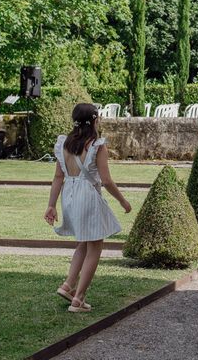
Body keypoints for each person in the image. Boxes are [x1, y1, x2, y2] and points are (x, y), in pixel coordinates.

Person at [44, 103, 132, 313]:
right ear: (94, 120)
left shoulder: (64, 143)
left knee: (83, 243)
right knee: (95, 247)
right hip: (88, 195)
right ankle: (79, 299)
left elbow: (58, 177)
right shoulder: (96, 145)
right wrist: (123, 201)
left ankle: (68, 285)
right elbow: (107, 181)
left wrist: (51, 205)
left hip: (69, 195)